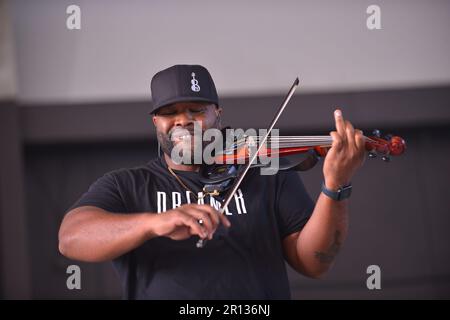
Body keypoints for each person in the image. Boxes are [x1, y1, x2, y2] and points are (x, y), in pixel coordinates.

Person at [58, 64, 366, 299]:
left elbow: (314, 263)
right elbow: (71, 238)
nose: (183, 120)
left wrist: (335, 186)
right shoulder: (128, 185)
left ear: (217, 113)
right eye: (170, 112)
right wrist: (152, 223)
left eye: (196, 110)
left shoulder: (264, 171)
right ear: (156, 121)